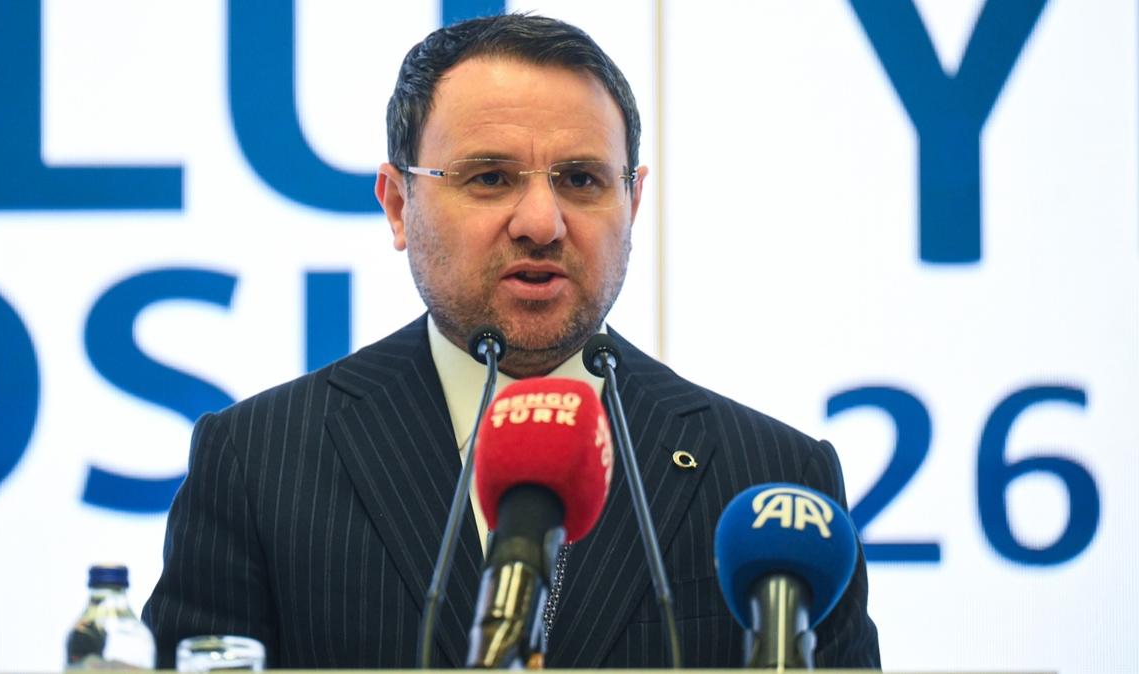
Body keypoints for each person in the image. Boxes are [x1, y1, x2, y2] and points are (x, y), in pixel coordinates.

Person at [142, 14, 880, 669]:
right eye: (491, 177)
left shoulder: (774, 482)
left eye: (581, 179)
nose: (541, 222)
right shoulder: (258, 463)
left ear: (633, 202)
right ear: (398, 205)